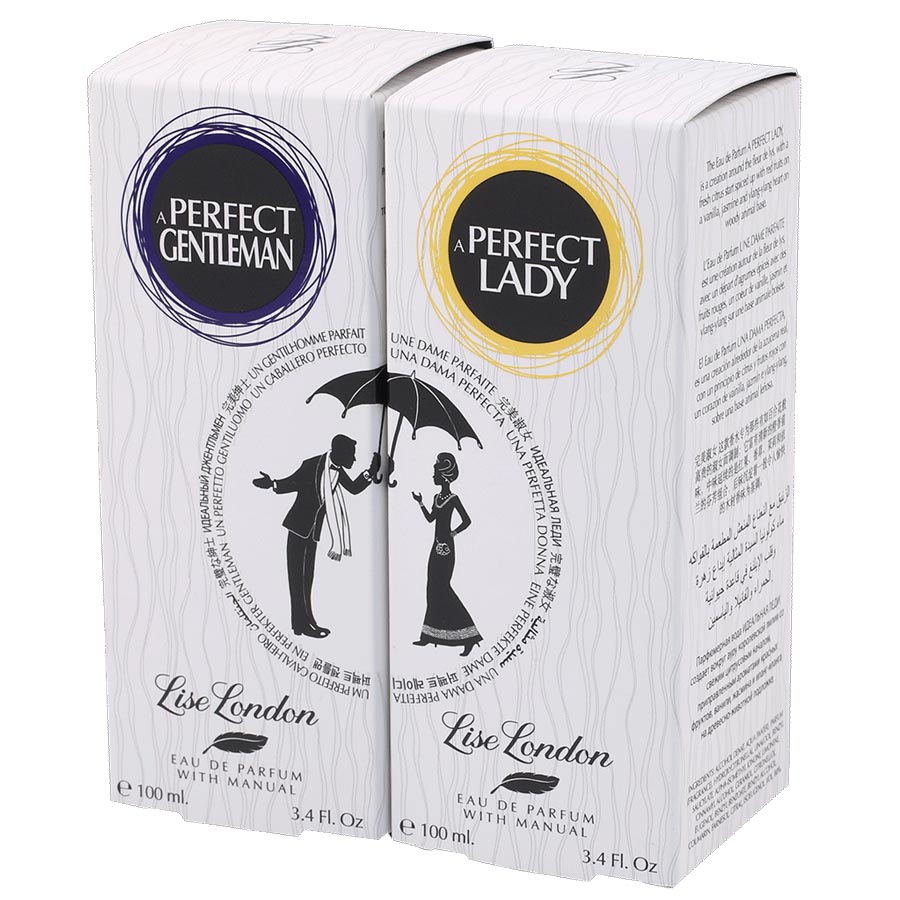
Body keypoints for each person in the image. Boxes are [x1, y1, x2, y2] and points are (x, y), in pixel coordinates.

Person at [254, 435, 379, 638]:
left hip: (312, 533)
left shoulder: (337, 470)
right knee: (297, 579)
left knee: (307, 578)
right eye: (352, 455)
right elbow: (291, 483)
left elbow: (354, 488)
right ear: (340, 453)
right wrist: (272, 483)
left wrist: (371, 472)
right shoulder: (311, 465)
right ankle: (300, 625)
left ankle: (308, 622)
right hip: (298, 528)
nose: (354, 459)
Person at [411, 452, 481, 657]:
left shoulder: (453, 498)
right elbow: (430, 518)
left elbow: (467, 520)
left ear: (444, 476)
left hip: (446, 548)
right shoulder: (436, 498)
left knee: (442, 588)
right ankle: (429, 636)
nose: (433, 476)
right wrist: (420, 503)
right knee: (432, 588)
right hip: (435, 547)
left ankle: (469, 636)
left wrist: (453, 533)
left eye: (435, 473)